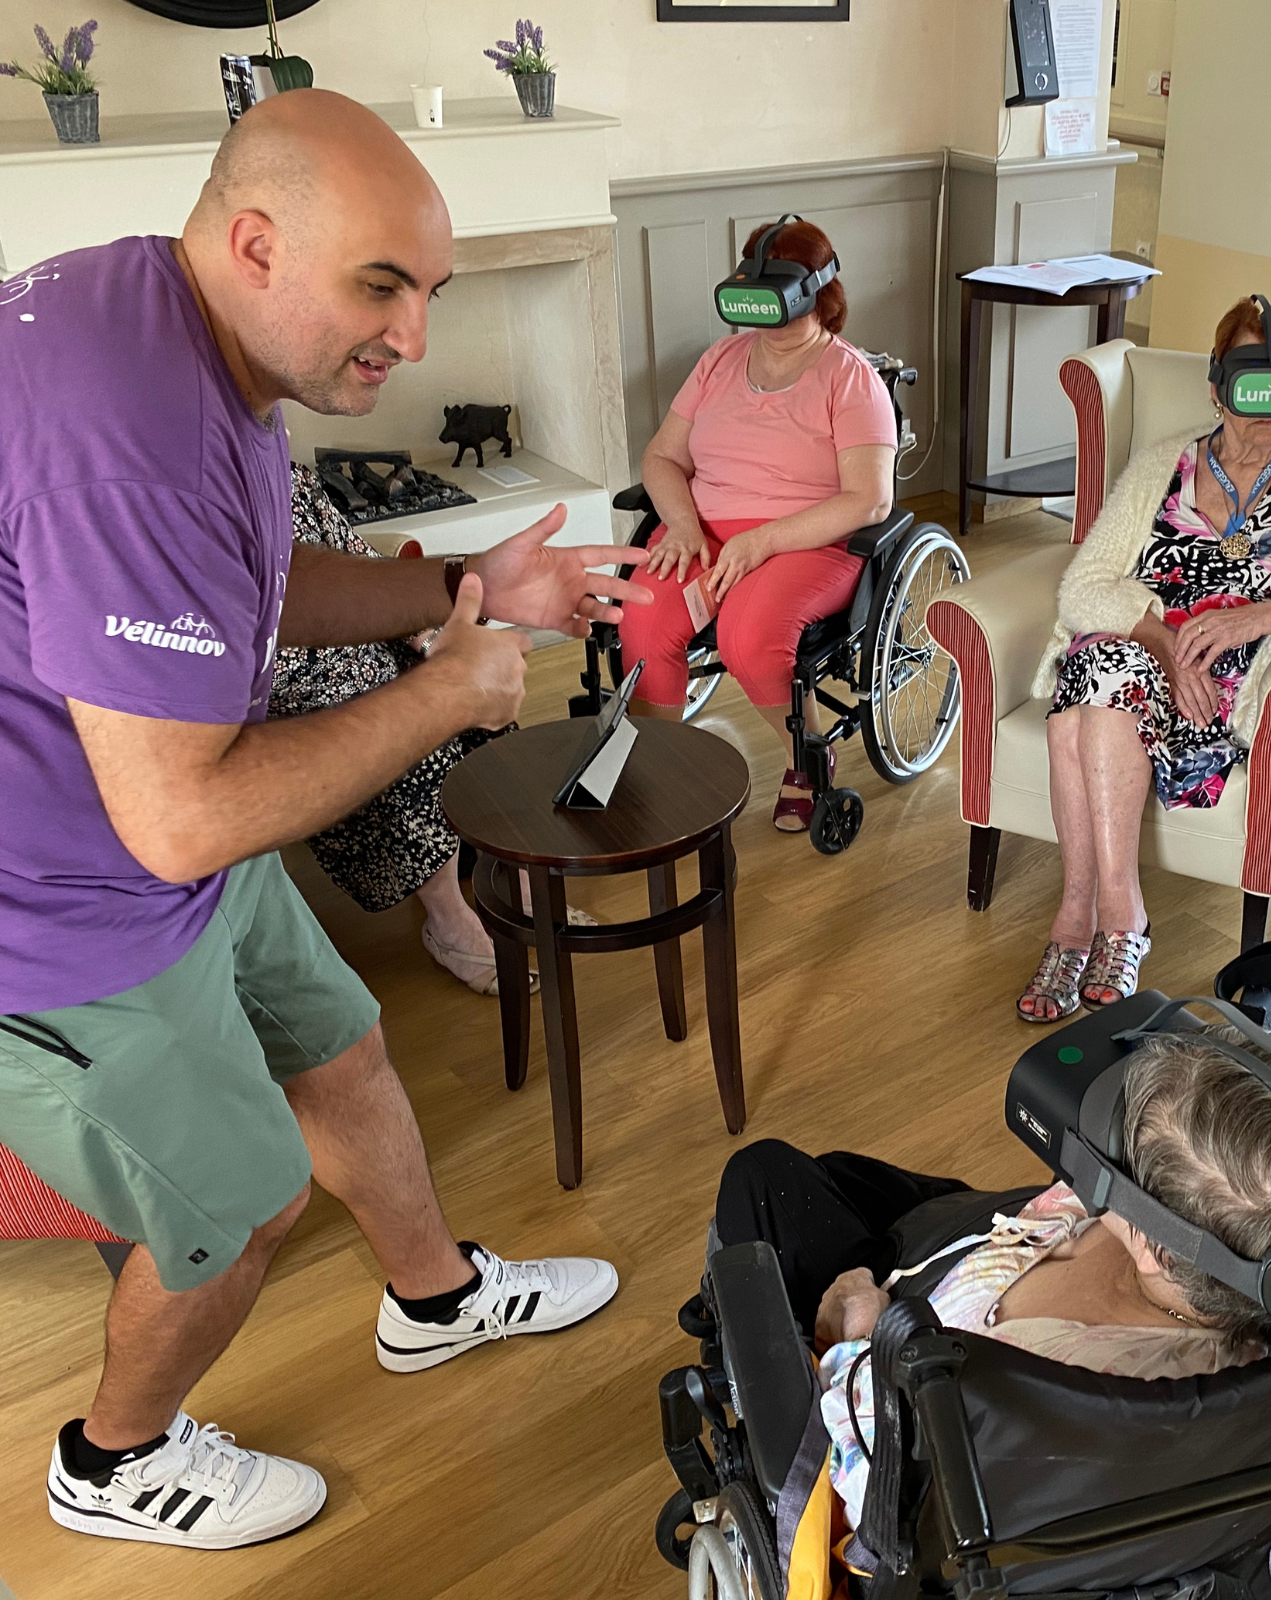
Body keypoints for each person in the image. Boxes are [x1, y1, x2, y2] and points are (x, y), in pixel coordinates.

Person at [0, 91, 651, 1550]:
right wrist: (449, 694)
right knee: (244, 1202)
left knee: (340, 1041)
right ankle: (110, 1459)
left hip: (163, 845)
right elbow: (176, 824)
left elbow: (250, 581)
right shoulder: (131, 429)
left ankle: (436, 1299)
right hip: (61, 908)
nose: (414, 336)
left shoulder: (172, 324)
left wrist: (461, 597)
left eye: (431, 292)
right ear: (254, 243)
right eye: (381, 286)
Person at [707, 1027, 1271, 1530]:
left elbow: (873, 1478)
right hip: (991, 1231)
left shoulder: (1032, 1389)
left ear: (1145, 1239)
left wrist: (853, 1338)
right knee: (837, 1177)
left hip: (897, 1310)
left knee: (762, 1178)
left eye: (1123, 1157)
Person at [1020, 297, 1271, 1023]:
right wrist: (1164, 645)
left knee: (1075, 721)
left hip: (1217, 695)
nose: (1268, 418)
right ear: (1216, 386)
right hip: (1136, 654)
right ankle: (1112, 915)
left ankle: (1085, 919)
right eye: (1249, 391)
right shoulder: (1160, 466)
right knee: (1104, 677)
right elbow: (1084, 588)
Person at [621, 217, 897, 831]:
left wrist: (764, 539)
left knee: (747, 638)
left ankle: (809, 759)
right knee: (641, 615)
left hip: (807, 539)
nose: (767, 321)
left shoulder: (851, 379)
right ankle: (666, 769)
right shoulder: (719, 360)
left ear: (817, 297)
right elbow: (663, 457)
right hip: (706, 531)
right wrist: (684, 526)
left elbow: (870, 501)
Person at [271, 464, 513, 993]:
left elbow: (356, 561)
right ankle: (449, 920)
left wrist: (429, 634)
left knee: (467, 675)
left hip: (354, 634)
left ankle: (513, 874)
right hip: (274, 677)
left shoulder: (285, 475)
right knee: (387, 703)